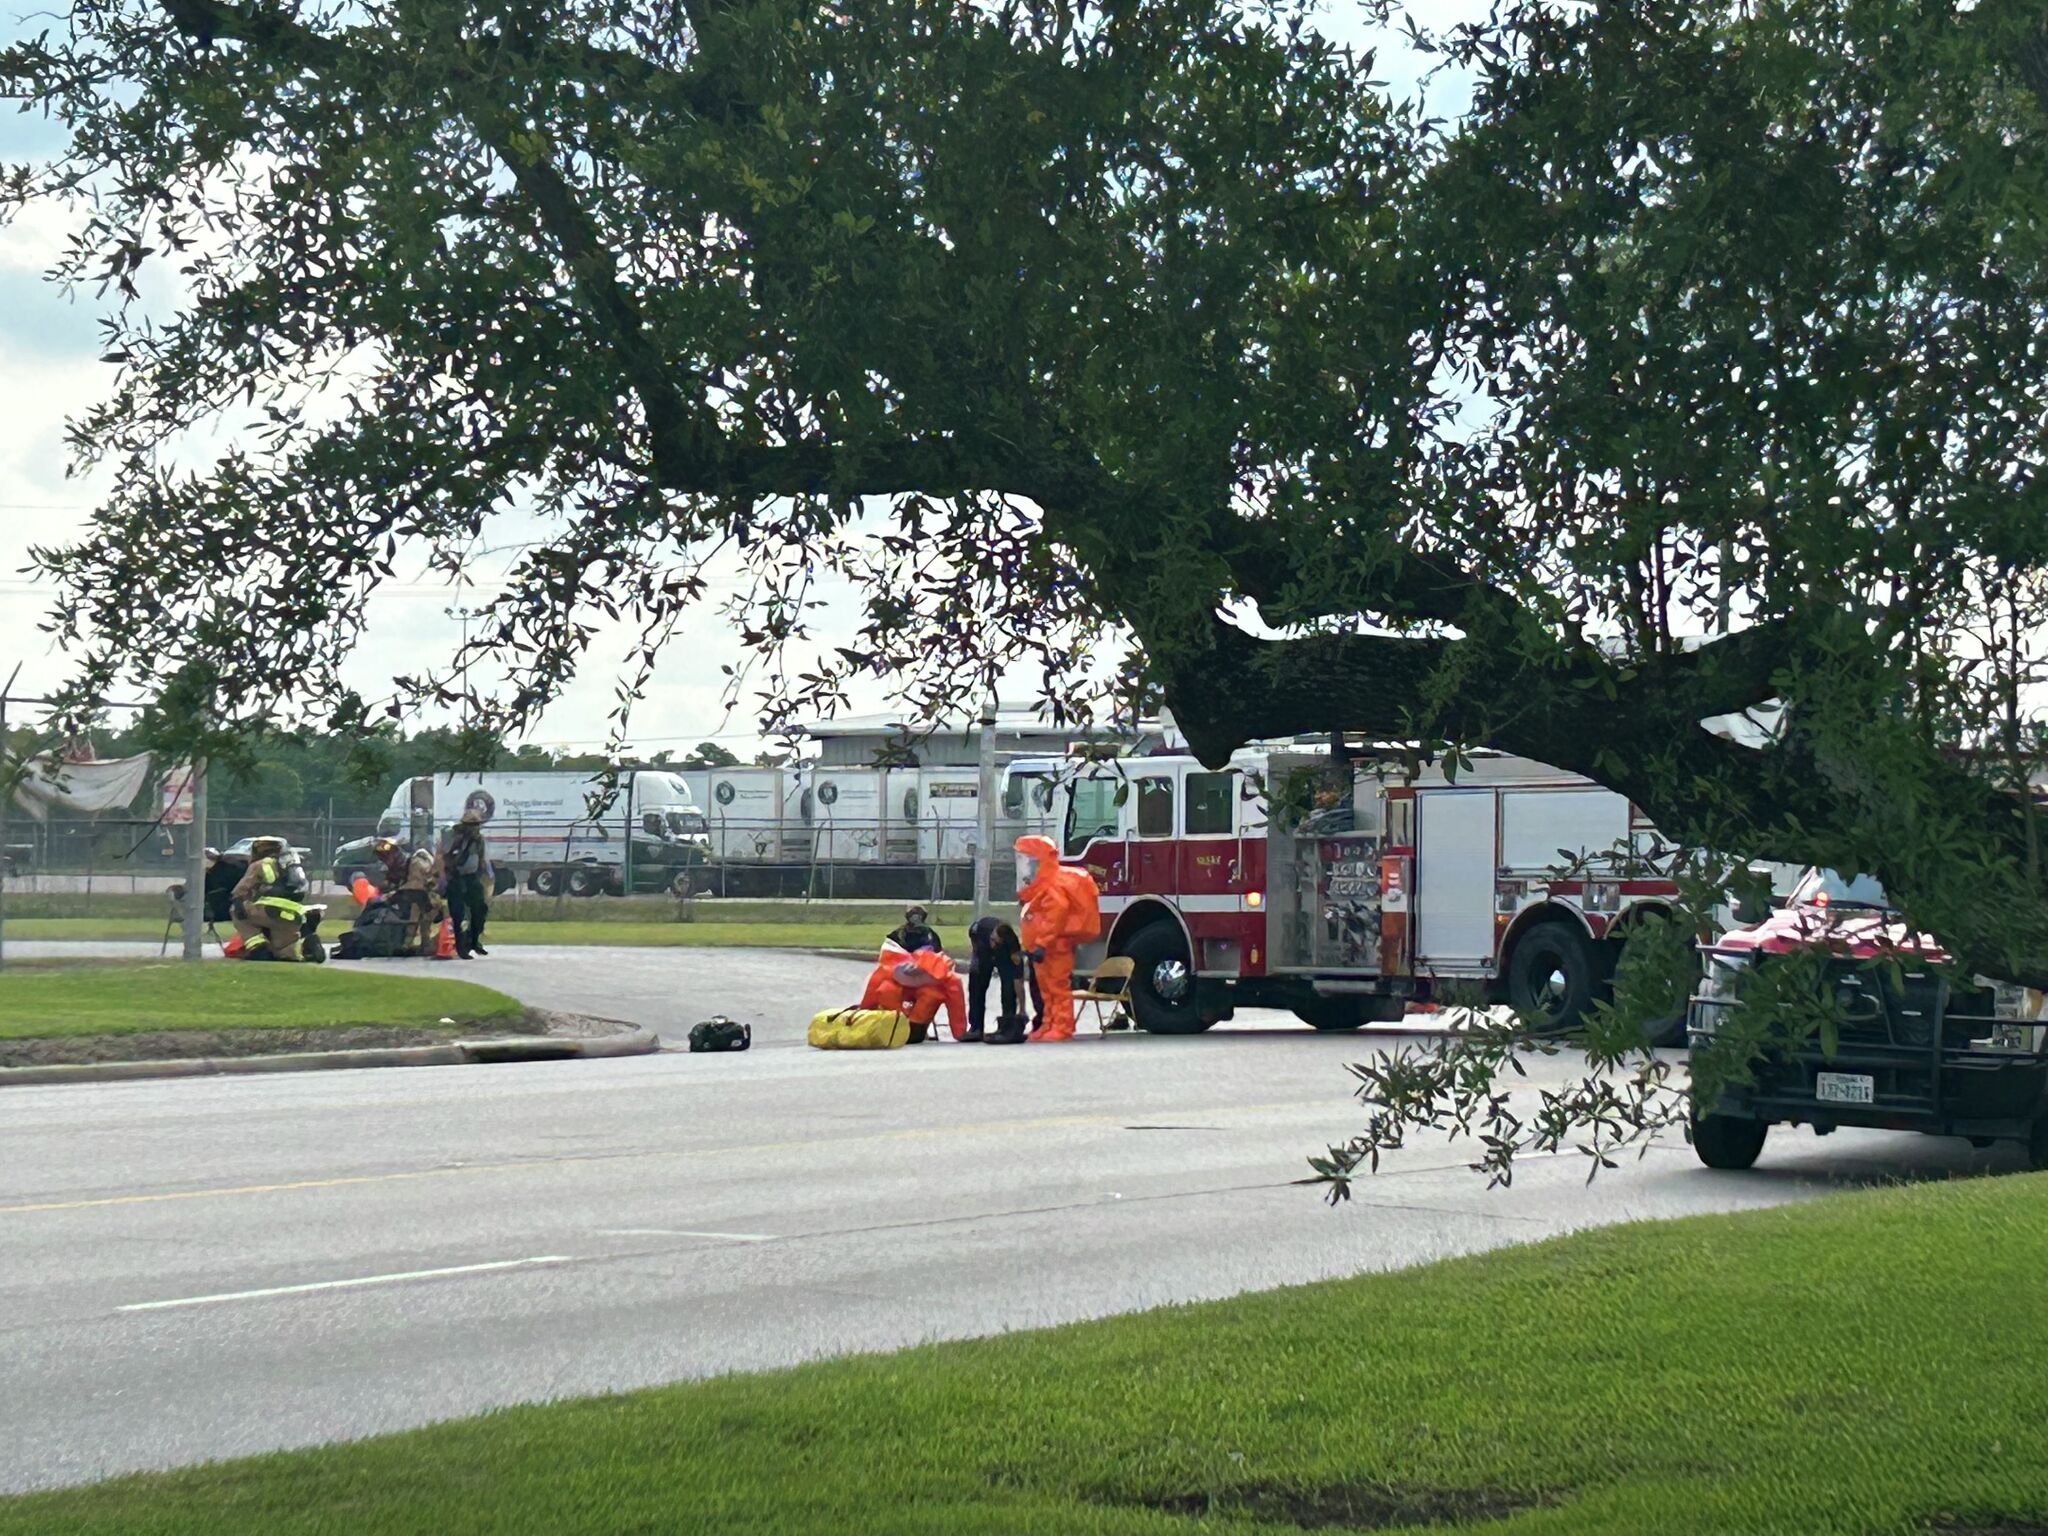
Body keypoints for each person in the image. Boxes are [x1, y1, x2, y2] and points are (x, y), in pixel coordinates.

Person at [1014, 834, 1102, 1042]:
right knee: (1046, 989)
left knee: (1057, 987)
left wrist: (1042, 943)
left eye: (1029, 859)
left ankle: (1062, 1026)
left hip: (1055, 947)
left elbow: (1056, 916)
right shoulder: (1041, 886)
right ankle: (1048, 1024)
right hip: (1043, 948)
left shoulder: (1051, 885)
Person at [859, 939, 967, 1042]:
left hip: (918, 1023)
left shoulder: (946, 978)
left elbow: (956, 1003)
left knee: (931, 995)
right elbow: (871, 995)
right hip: (893, 1019)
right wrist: (862, 1018)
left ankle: (914, 1027)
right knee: (887, 990)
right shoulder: (886, 971)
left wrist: (959, 1032)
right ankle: (897, 1024)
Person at [229, 836, 308, 961]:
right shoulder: (292, 866)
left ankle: (258, 948)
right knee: (284, 953)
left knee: (235, 909)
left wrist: (238, 902)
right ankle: (308, 949)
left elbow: (240, 890)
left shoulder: (260, 864)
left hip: (270, 911)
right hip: (295, 915)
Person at [966, 915, 1026, 1044]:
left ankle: (1007, 1025)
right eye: (992, 940)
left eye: (996, 942)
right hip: (982, 953)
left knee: (1009, 989)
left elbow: (1018, 981)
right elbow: (974, 940)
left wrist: (1022, 1009)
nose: (993, 944)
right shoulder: (978, 929)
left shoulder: (1011, 947)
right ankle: (976, 1027)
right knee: (976, 987)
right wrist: (976, 958)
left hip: (1003, 955)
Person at [441, 808, 491, 958]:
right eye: (472, 825)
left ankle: (474, 941)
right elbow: (446, 855)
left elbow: (481, 859)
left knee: (480, 909)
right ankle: (461, 948)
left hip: (471, 878)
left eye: (477, 825)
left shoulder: (479, 840)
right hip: (456, 878)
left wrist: (483, 875)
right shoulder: (454, 837)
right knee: (458, 914)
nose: (476, 828)